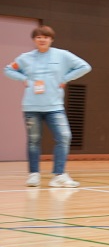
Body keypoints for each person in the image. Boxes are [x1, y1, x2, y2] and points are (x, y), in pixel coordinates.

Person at [4, 25, 91, 188]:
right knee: (33, 141)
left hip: (54, 107)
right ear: (34, 40)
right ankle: (33, 174)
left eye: (45, 37)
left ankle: (59, 175)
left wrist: (65, 78)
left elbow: (85, 66)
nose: (42, 39)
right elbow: (8, 69)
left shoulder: (63, 55)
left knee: (64, 136)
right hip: (31, 107)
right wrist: (23, 79)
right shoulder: (25, 57)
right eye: (38, 37)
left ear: (51, 39)